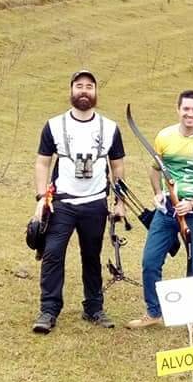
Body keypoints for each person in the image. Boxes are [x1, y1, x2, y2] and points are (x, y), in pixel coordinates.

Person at [31, 70, 125, 334]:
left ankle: (93, 308)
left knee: (92, 256)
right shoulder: (54, 125)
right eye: (79, 86)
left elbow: (117, 166)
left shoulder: (110, 128)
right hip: (61, 202)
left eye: (89, 86)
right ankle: (48, 310)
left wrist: (119, 202)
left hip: (95, 203)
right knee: (52, 254)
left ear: (96, 92)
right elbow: (42, 162)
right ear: (71, 90)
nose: (84, 91)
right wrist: (41, 198)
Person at [126, 90, 193, 337]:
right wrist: (158, 193)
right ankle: (154, 312)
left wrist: (192, 203)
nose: (190, 114)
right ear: (178, 109)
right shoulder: (165, 137)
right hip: (166, 212)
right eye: (186, 108)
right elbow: (155, 168)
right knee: (150, 261)